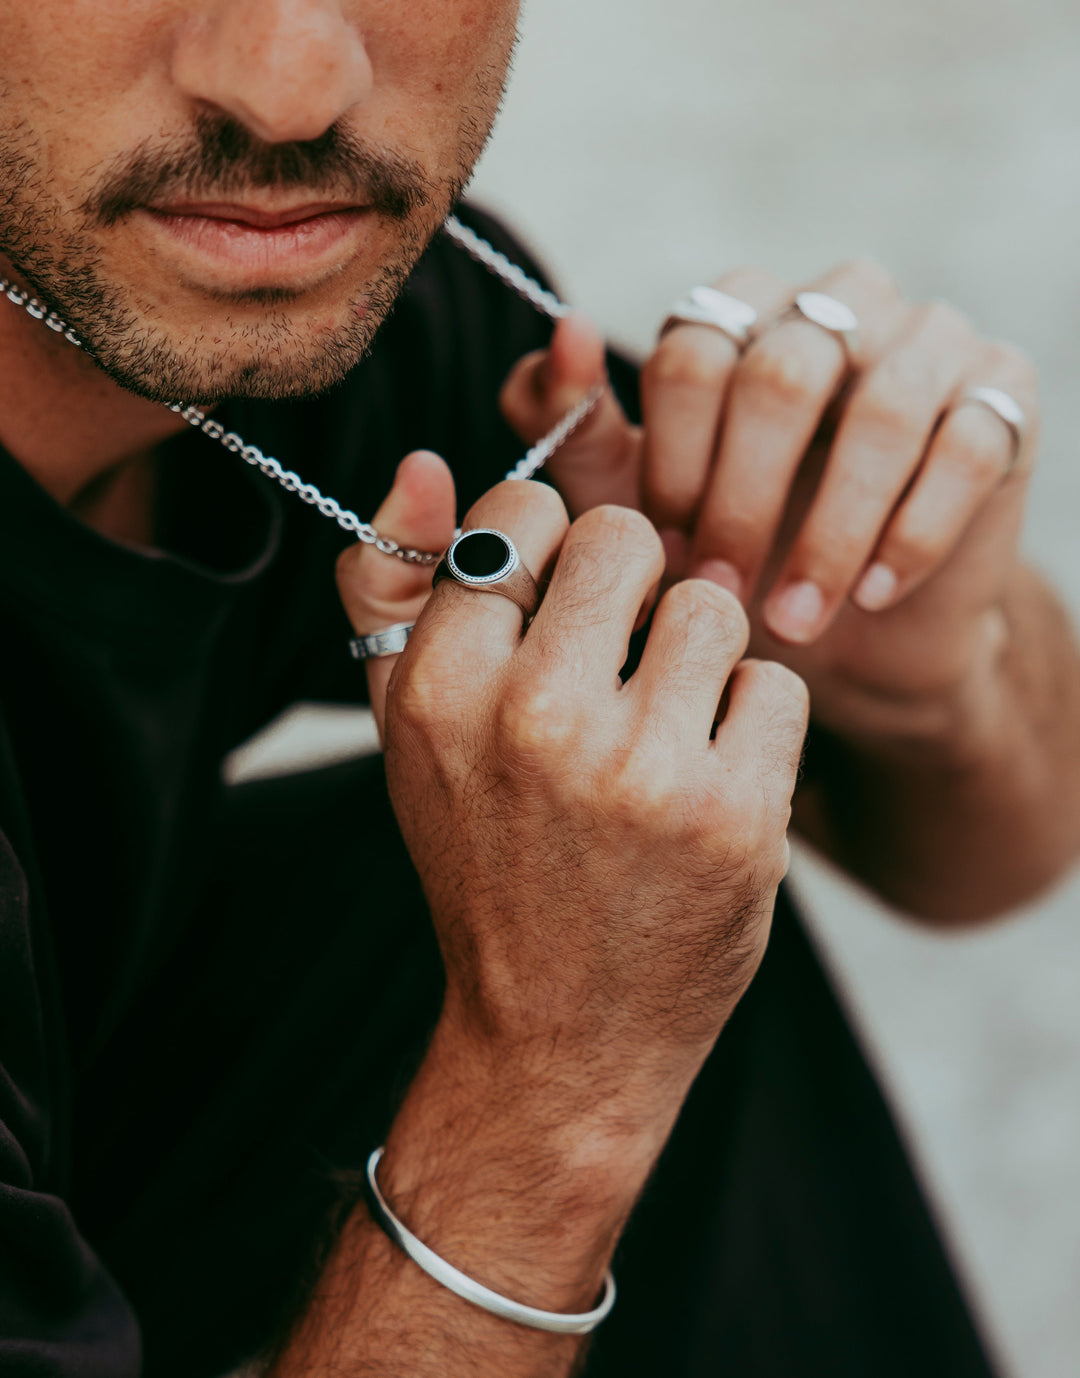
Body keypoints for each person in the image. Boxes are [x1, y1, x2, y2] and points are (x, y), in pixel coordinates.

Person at [1, 3, 1078, 1377]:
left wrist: (909, 669)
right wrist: (550, 1091)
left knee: (622, 867)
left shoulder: (312, 277)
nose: (289, 84)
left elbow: (993, 850)